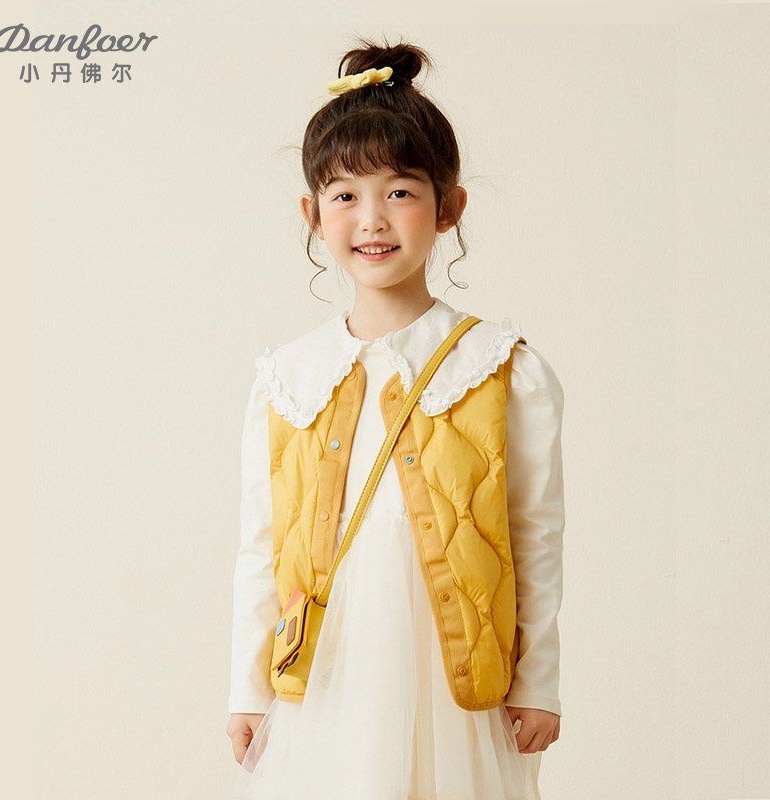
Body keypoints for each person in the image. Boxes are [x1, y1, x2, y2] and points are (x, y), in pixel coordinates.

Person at [226, 38, 565, 800]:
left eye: (400, 191)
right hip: (327, 671)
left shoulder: (499, 367)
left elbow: (534, 533)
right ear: (313, 214)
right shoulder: (288, 378)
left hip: (451, 672)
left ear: (449, 207)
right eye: (345, 195)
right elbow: (261, 545)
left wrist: (538, 678)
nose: (372, 219)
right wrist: (246, 688)